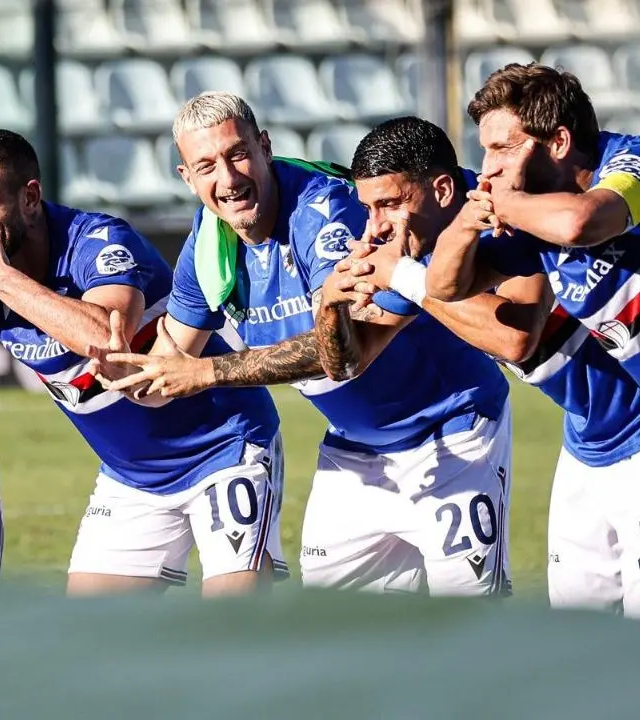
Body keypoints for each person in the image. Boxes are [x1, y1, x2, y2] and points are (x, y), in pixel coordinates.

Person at [96, 92, 513, 596]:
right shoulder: (209, 241)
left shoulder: (324, 210)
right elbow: (169, 369)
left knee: (470, 626)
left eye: (237, 154)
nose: (227, 180)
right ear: (186, 177)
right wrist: (126, 375)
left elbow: (344, 352)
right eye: (206, 165)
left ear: (265, 147)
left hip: (451, 430)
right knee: (335, 640)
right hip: (354, 450)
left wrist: (208, 372)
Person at [0, 128, 284, 597]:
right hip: (133, 478)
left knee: (236, 620)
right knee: (90, 641)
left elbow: (106, 340)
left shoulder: (99, 242)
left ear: (29, 198)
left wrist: (3, 281)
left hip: (223, 449)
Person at [424, 63, 640, 617]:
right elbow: (444, 286)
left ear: (559, 141)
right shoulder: (531, 209)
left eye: (502, 149)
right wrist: (467, 222)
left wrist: (502, 205)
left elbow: (584, 222)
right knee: (579, 634)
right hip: (599, 448)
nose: (487, 170)